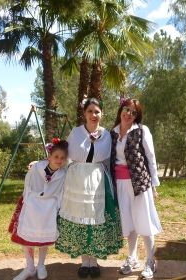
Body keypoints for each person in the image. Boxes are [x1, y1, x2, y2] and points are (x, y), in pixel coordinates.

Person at [55, 98, 123, 278]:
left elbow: (109, 159)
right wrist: (45, 165)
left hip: (98, 180)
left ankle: (94, 262)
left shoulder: (107, 134)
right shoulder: (76, 133)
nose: (94, 115)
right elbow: (63, 154)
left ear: (102, 114)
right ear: (84, 113)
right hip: (77, 180)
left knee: (95, 218)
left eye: (97, 111)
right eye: (90, 111)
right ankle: (85, 262)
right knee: (81, 219)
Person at [110, 98, 162, 280]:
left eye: (133, 112)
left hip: (139, 183)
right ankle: (132, 258)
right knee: (129, 223)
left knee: (144, 222)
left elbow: (150, 156)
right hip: (120, 184)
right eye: (126, 109)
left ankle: (150, 261)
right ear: (120, 110)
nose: (129, 114)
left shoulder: (141, 130)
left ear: (136, 116)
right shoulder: (113, 133)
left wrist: (154, 185)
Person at [8, 139, 69, 280]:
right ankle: (30, 267)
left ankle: (41, 265)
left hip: (49, 209)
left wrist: (57, 207)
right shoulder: (36, 168)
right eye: (56, 157)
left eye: (62, 158)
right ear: (49, 157)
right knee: (27, 237)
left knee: (43, 236)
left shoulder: (63, 174)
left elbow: (61, 192)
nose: (59, 160)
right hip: (31, 206)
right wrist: (27, 201)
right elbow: (27, 185)